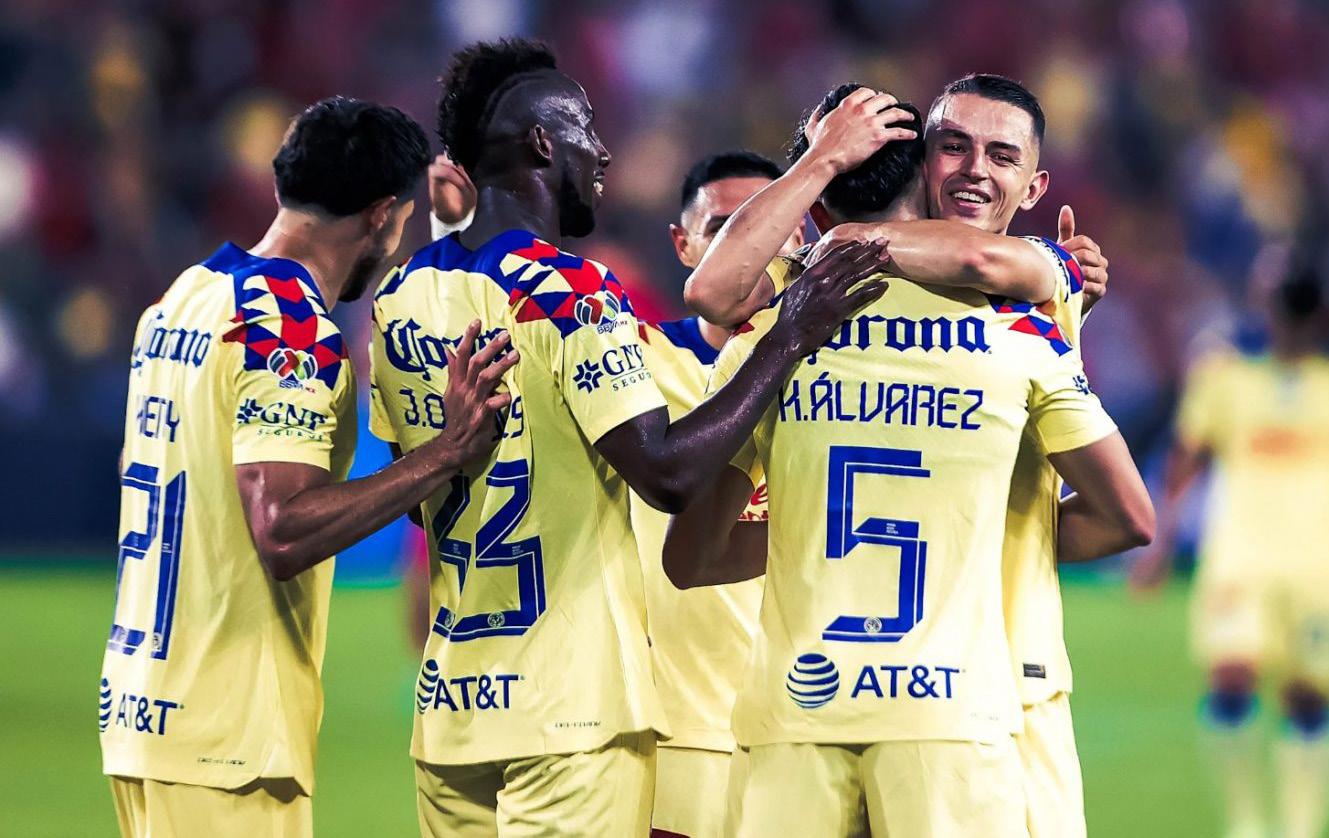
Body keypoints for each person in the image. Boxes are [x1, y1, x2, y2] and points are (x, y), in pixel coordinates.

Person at [367, 39, 888, 837]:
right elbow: (667, 474)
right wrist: (788, 335)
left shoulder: (400, 295)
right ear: (543, 144)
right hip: (568, 711)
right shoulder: (568, 291)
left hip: (452, 712)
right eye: (583, 127)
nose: (602, 151)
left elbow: (416, 495)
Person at [663, 83, 1153, 836]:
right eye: (953, 147)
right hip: (972, 704)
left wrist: (827, 202)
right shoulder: (1025, 320)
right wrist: (962, 528)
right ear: (923, 169)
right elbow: (1128, 518)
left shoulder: (779, 325)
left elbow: (691, 552)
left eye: (1000, 155)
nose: (973, 170)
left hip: (806, 706)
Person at [99, 97, 516, 838]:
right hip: (225, 735)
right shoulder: (289, 328)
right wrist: (449, 451)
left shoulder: (181, 301)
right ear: (381, 216)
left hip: (142, 710)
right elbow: (282, 529)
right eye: (402, 223)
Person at [636, 150, 803, 838]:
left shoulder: (847, 365)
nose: (750, 247)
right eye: (724, 228)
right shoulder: (635, 362)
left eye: (768, 226)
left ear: (798, 236)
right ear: (684, 246)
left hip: (812, 726)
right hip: (680, 733)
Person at [1132, 260, 1329, 838]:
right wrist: (1160, 541)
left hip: (1315, 560)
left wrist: (1158, 546)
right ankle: (1246, 824)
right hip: (1241, 553)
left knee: (1308, 695)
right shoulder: (1224, 377)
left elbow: (1182, 465)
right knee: (1232, 675)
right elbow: (1186, 461)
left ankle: (1299, 826)